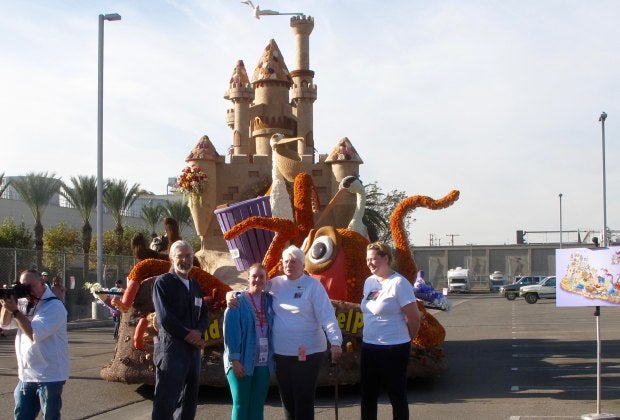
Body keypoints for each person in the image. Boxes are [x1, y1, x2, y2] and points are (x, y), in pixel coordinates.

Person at [271, 245, 342, 420]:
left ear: (303, 265)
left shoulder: (313, 286)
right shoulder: (274, 283)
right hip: (281, 352)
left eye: (294, 261)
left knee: (303, 398)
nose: (289, 264)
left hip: (309, 352)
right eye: (286, 261)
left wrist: (335, 342)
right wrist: (231, 295)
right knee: (287, 399)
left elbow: (327, 315)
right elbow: (252, 289)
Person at [360, 241, 421, 420]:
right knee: (368, 395)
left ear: (386, 258)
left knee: (396, 395)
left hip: (394, 348)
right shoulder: (369, 282)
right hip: (369, 346)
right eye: (367, 259)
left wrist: (408, 338)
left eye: (373, 259)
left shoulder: (399, 283)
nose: (369, 263)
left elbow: (414, 317)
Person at [0, 268, 70, 420]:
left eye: (29, 286)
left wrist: (15, 312)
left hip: (49, 376)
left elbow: (34, 334)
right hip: (26, 375)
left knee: (50, 417)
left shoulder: (54, 306)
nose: (26, 290)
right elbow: (4, 324)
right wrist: (7, 305)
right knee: (22, 416)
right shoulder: (23, 303)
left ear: (42, 282)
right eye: (22, 286)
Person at [151, 240, 209, 420]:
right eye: (180, 256)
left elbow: (204, 314)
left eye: (188, 255)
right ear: (171, 258)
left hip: (192, 354)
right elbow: (165, 318)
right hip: (171, 352)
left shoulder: (195, 285)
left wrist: (199, 331)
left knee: (188, 403)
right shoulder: (163, 283)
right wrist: (190, 335)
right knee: (165, 403)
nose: (185, 259)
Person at [223, 263, 274, 420]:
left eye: (261, 276)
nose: (257, 280)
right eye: (254, 276)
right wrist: (235, 360)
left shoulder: (270, 301)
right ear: (248, 278)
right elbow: (230, 334)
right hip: (242, 361)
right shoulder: (237, 301)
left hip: (263, 362)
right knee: (241, 404)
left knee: (257, 406)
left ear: (266, 279)